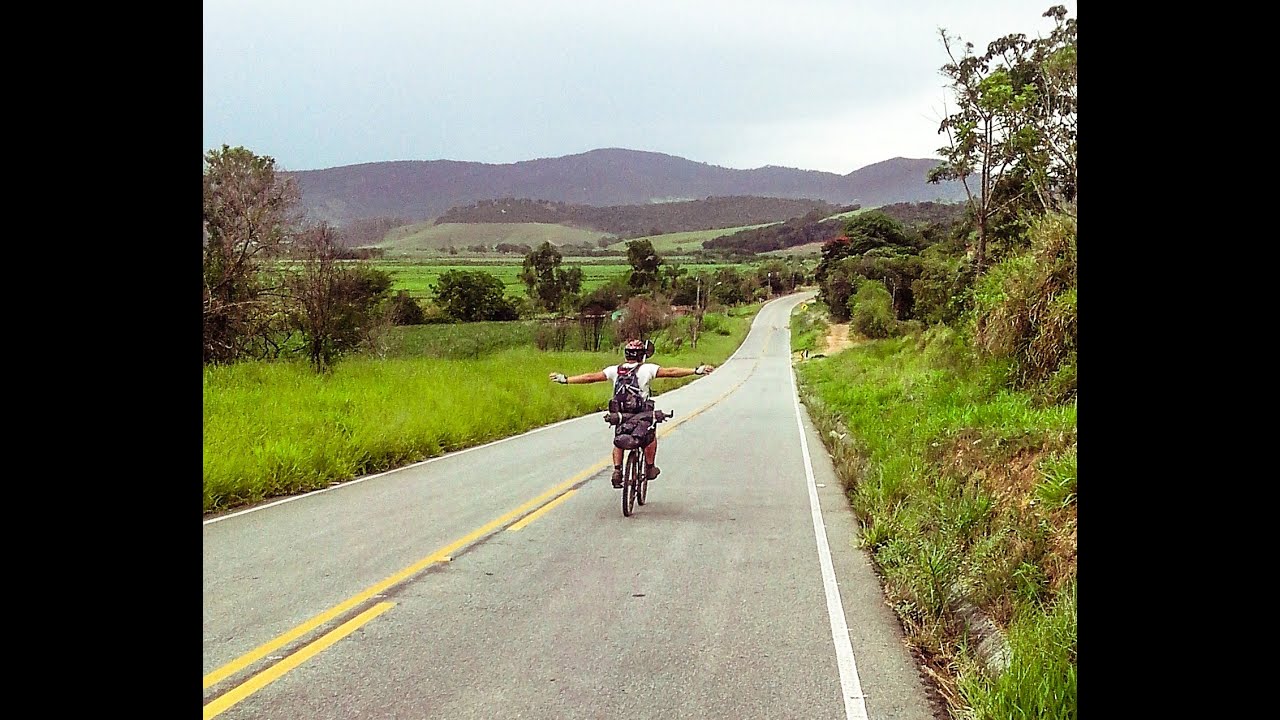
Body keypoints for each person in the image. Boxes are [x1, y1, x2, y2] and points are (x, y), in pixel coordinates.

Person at [550, 339, 715, 488]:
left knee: (619, 438)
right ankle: (649, 467)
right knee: (650, 436)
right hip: (641, 413)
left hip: (620, 413)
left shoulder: (615, 370)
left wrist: (566, 379)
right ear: (642, 355)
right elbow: (671, 372)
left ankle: (617, 470)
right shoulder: (647, 369)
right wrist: (696, 370)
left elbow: (590, 377)